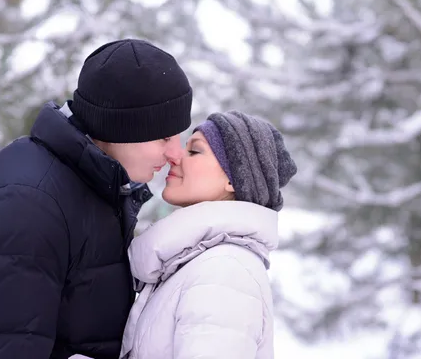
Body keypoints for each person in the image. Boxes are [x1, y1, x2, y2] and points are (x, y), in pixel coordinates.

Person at [0, 39, 193, 359]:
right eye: (164, 136)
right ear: (119, 126)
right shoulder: (26, 207)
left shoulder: (88, 189)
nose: (175, 153)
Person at [119, 110, 298, 359]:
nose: (176, 157)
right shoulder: (195, 261)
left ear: (235, 181)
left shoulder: (225, 271)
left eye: (194, 151)